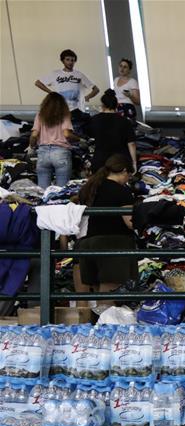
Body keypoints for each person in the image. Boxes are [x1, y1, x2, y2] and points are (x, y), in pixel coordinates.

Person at [72, 154, 137, 296]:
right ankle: (107, 319)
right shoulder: (122, 191)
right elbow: (129, 222)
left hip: (88, 242)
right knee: (109, 291)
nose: (128, 180)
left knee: (97, 291)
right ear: (124, 170)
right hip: (113, 243)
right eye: (129, 176)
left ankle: (98, 318)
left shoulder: (90, 188)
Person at [29, 92, 78, 189]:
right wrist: (79, 139)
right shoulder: (64, 114)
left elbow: (34, 135)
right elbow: (67, 134)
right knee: (61, 191)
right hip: (61, 153)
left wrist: (31, 146)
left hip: (43, 153)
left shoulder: (40, 115)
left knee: (43, 191)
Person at [34, 49, 99, 113]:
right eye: (67, 59)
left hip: (78, 111)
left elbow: (96, 89)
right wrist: (51, 93)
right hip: (60, 110)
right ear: (62, 61)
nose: (70, 62)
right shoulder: (55, 74)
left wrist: (87, 97)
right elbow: (38, 83)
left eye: (72, 60)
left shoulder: (80, 75)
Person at [88, 90, 136, 172]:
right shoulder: (125, 121)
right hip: (119, 161)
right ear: (117, 105)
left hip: (100, 160)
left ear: (102, 105)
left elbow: (90, 136)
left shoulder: (94, 119)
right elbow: (131, 144)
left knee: (99, 183)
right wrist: (134, 162)